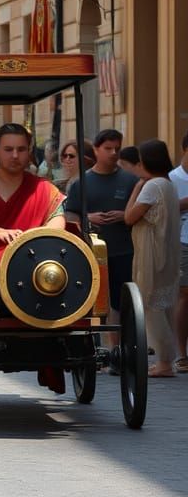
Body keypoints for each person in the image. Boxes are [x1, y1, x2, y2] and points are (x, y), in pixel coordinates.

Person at [0, 123, 66, 328]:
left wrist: (32, 237)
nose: (15, 155)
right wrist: (2, 233)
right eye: (8, 149)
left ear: (29, 152)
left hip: (33, 254)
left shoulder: (43, 187)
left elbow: (58, 220)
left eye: (21, 149)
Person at [64, 129, 138, 367]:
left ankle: (119, 351)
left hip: (123, 249)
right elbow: (70, 214)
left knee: (121, 301)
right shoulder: (81, 183)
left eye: (117, 148)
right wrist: (89, 218)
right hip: (90, 251)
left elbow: (139, 213)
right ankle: (94, 348)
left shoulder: (130, 180)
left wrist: (124, 215)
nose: (113, 153)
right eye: (108, 148)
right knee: (92, 301)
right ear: (96, 150)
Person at [125, 139, 181, 377]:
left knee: (150, 306)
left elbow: (129, 217)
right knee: (164, 305)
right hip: (166, 252)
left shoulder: (150, 186)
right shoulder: (168, 183)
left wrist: (137, 188)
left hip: (151, 254)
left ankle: (165, 363)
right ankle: (165, 360)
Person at [169, 132, 188, 373]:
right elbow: (165, 209)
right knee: (184, 295)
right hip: (183, 242)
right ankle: (181, 354)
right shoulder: (172, 178)